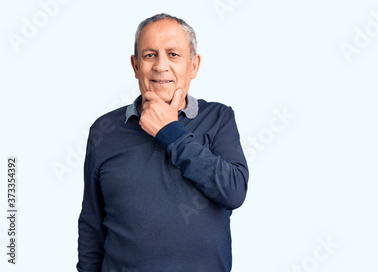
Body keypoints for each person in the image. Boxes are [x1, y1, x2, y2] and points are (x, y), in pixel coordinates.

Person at [77, 13, 249, 272]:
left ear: (194, 65)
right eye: (150, 55)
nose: (160, 66)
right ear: (136, 66)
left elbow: (234, 192)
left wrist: (170, 131)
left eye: (173, 54)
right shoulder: (105, 130)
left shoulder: (218, 118)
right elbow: (92, 223)